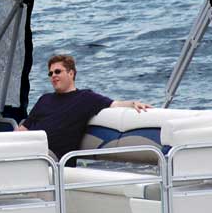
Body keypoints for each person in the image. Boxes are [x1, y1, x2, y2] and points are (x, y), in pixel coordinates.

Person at [18, 54, 151, 160]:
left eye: (57, 71)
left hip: (52, 158)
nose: (53, 76)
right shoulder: (44, 99)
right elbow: (23, 129)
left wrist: (133, 103)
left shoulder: (85, 98)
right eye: (50, 73)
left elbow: (114, 104)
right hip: (31, 149)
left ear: (71, 73)